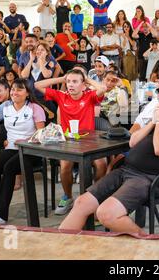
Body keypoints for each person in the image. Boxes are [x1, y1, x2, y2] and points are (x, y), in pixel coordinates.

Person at [59, 81, 159, 233]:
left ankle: (150, 245)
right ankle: (58, 249)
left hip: (151, 179)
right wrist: (153, 121)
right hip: (127, 170)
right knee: (82, 202)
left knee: (107, 213)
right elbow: (133, 141)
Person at [35, 69, 107, 215]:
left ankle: (96, 198)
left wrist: (87, 79)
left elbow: (103, 88)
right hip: (69, 141)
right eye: (69, 82)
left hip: (90, 140)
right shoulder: (62, 96)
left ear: (83, 85)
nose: (71, 85)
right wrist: (62, 78)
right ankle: (68, 197)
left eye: (75, 82)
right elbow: (37, 85)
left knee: (101, 163)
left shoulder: (89, 96)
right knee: (65, 165)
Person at [0, 79, 45, 225]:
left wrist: (27, 141)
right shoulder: (6, 106)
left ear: (28, 93)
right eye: (13, 89)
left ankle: (0, 214)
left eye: (19, 89)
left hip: (31, 150)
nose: (14, 92)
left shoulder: (35, 108)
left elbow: (41, 134)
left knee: (9, 168)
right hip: (12, 148)